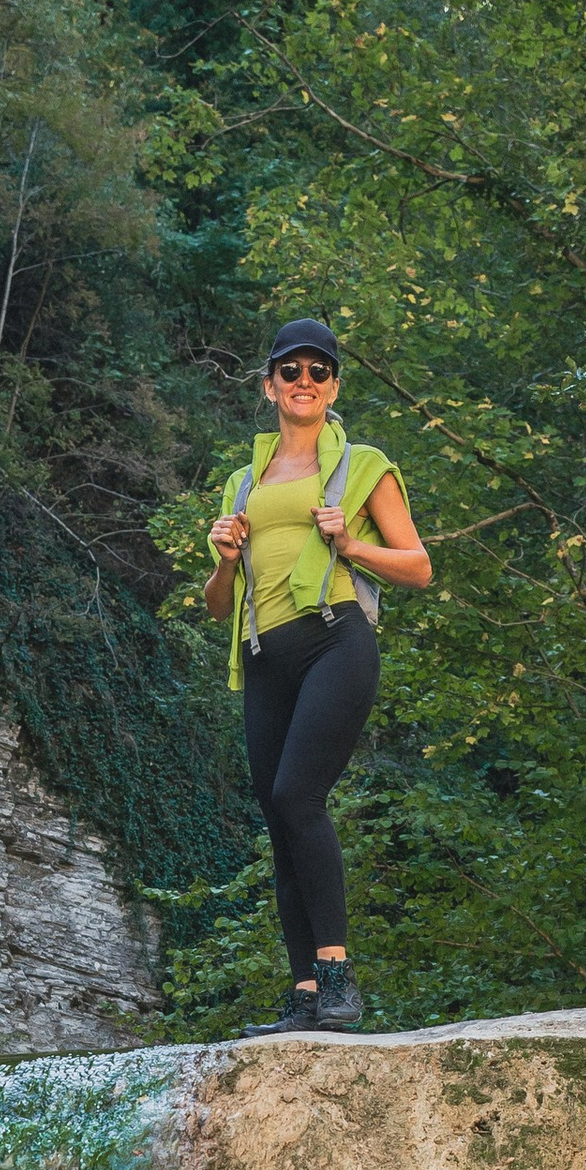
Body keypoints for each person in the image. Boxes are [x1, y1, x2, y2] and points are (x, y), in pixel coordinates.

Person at [202, 318, 431, 1033]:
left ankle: (338, 981)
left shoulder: (363, 464)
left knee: (299, 795)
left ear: (334, 387)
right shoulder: (245, 481)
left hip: (335, 640)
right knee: (278, 815)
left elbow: (419, 567)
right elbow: (217, 606)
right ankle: (304, 995)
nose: (305, 382)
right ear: (269, 384)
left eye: (319, 371)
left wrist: (349, 541)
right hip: (265, 654)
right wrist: (225, 559)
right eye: (290, 370)